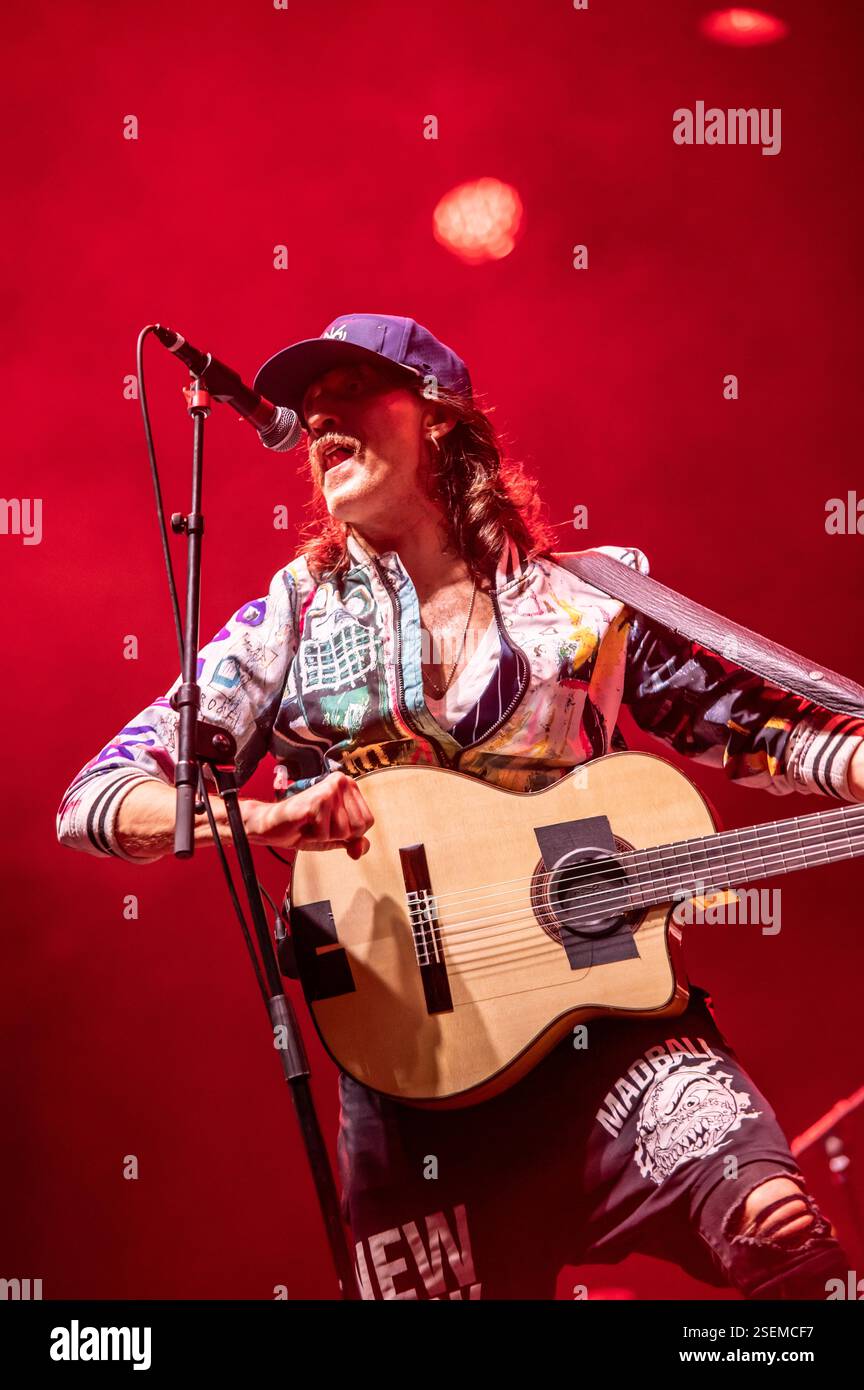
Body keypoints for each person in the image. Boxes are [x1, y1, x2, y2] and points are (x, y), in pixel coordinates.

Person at [58, 313, 864, 1301]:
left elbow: (765, 728)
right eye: (310, 405)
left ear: (439, 419)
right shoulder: (284, 624)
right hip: (412, 1096)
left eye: (353, 387)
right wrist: (257, 821)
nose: (319, 414)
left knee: (783, 1236)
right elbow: (99, 799)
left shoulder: (586, 602)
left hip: (617, 1046)